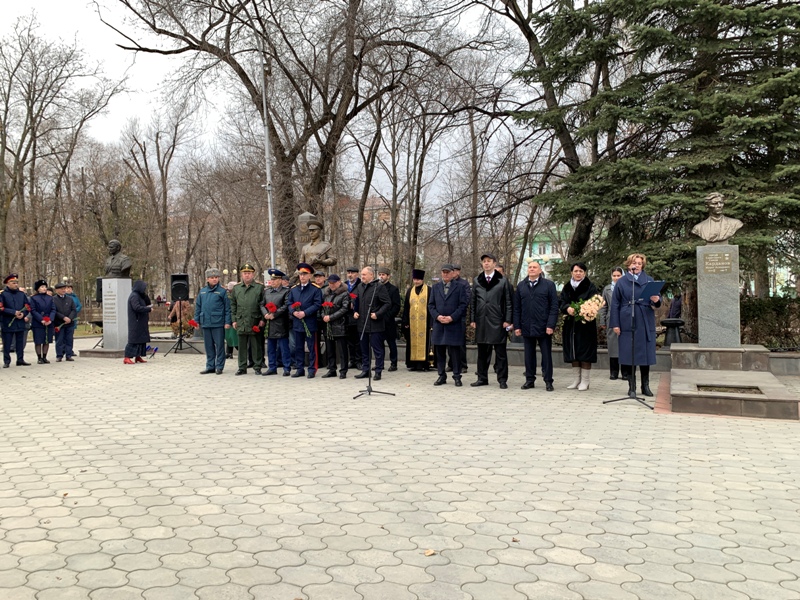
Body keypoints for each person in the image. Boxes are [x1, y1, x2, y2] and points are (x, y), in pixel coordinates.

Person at [609, 253, 663, 398]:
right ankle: (631, 386)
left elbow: (657, 301)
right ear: (628, 265)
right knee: (629, 353)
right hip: (627, 319)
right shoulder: (622, 282)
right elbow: (615, 304)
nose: (637, 265)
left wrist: (656, 300)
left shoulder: (649, 280)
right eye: (634, 263)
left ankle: (645, 385)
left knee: (645, 354)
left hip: (645, 317)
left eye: (639, 263)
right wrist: (615, 323)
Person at [470, 253, 513, 389]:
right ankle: (482, 378)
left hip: (498, 321)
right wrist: (472, 319)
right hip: (481, 320)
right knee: (482, 352)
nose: (486, 263)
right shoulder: (477, 280)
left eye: (489, 261)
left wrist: (508, 320)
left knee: (500, 352)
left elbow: (508, 302)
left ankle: (502, 379)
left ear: (494, 264)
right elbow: (473, 301)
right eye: (484, 261)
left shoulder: (502, 281)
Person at [513, 261, 558, 391]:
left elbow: (554, 307)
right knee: (528, 355)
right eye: (530, 267)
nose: (532, 269)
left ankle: (548, 381)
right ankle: (529, 380)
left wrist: (551, 325)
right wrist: (517, 326)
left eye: (535, 267)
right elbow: (517, 308)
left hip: (544, 326)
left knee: (546, 355)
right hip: (527, 326)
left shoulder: (549, 285)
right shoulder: (521, 286)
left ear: (540, 270)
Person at [560, 262, 599, 391]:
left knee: (585, 351)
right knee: (573, 350)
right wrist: (567, 308)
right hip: (570, 324)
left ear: (585, 273)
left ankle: (585, 381)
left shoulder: (590, 287)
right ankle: (576, 380)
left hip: (585, 324)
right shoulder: (567, 287)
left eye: (581, 271)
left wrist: (583, 309)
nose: (578, 273)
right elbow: (561, 302)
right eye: (576, 271)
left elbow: (594, 302)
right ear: (571, 272)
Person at [429, 264, 469, 387]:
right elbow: (431, 305)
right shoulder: (435, 287)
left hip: (454, 324)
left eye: (447, 272)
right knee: (440, 352)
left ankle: (457, 376)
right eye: (443, 272)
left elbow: (463, 305)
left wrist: (452, 317)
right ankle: (441, 376)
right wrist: (437, 316)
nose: (445, 274)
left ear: (453, 273)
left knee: (455, 353)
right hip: (439, 324)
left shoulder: (460, 287)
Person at [352, 266, 391, 380]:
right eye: (362, 274)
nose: (362, 277)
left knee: (377, 350)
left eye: (364, 275)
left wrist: (378, 314)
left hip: (375, 324)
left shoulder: (378, 287)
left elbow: (387, 303)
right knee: (364, 349)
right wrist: (355, 311)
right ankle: (365, 370)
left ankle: (378, 371)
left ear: (371, 275)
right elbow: (357, 301)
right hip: (362, 323)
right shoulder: (359, 286)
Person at [287, 262, 323, 378]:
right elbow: (289, 303)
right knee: (298, 347)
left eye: (304, 274)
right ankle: (300, 368)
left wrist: (305, 312)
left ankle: (312, 369)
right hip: (297, 322)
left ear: (309, 276)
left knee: (312, 347)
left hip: (310, 322)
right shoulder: (294, 289)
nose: (302, 276)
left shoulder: (315, 289)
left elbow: (317, 304)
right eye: (300, 274)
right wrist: (293, 312)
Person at [230, 263, 265, 375]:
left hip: (255, 320)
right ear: (241, 274)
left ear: (253, 274)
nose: (247, 275)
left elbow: (263, 304)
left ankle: (257, 366)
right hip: (241, 320)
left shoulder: (259, 287)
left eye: (249, 273)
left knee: (256, 345)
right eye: (245, 273)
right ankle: (242, 367)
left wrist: (262, 319)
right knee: (242, 345)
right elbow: (233, 305)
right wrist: (234, 319)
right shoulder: (236, 288)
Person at [195, 268, 231, 375]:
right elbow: (198, 307)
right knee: (208, 346)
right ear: (207, 279)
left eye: (216, 277)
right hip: (205, 322)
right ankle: (210, 366)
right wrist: (196, 320)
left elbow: (227, 308)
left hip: (218, 323)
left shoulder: (222, 291)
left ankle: (219, 366)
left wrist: (227, 322)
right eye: (212, 278)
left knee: (219, 345)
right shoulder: (202, 292)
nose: (214, 279)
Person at [401, 269, 433, 372]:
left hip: (425, 323)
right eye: (415, 279)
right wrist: (405, 321)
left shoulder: (429, 290)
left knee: (426, 343)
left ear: (422, 279)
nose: (416, 281)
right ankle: (413, 364)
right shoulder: (410, 291)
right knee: (411, 343)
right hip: (413, 322)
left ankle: (424, 364)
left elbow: (432, 306)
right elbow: (406, 307)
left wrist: (431, 322)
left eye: (418, 279)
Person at [261, 268, 292, 376]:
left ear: (280, 280)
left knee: (284, 347)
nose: (272, 281)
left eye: (275, 279)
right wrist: (265, 314)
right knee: (270, 348)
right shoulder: (267, 292)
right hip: (270, 323)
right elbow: (262, 304)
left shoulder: (286, 291)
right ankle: (272, 367)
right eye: (271, 279)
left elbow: (286, 305)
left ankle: (286, 367)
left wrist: (275, 314)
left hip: (280, 322)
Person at [320, 274, 351, 379]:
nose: (331, 285)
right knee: (330, 349)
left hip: (340, 324)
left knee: (342, 350)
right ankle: (332, 369)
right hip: (328, 325)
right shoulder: (326, 293)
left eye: (333, 283)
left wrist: (331, 317)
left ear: (339, 282)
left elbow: (344, 309)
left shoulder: (345, 294)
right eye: (329, 283)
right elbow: (322, 307)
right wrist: (324, 316)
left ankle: (343, 370)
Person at [598, 267, 626, 380]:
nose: (616, 278)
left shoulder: (627, 287)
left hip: (625, 317)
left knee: (625, 345)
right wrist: (602, 320)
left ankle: (625, 372)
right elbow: (603, 306)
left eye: (618, 275)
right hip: (611, 318)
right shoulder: (607, 289)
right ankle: (614, 371)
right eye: (614, 275)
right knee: (613, 345)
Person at [0, 274, 31, 367]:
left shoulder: (21, 294)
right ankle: (6, 361)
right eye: (13, 283)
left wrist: (23, 314)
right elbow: (1, 307)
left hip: (20, 322)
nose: (15, 284)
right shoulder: (3, 294)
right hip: (8, 322)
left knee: (20, 342)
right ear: (7, 284)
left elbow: (28, 306)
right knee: (7, 343)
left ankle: (20, 359)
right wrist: (13, 312)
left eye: (16, 283)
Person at [378, 267, 401, 371]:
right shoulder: (376, 288)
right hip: (378, 321)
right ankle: (380, 363)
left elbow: (396, 306)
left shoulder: (393, 289)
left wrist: (388, 316)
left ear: (388, 276)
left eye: (383, 274)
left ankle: (393, 363)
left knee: (391, 343)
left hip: (389, 321)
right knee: (379, 344)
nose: (381, 276)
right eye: (380, 274)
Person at [124, 280, 152, 364]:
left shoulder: (139, 295)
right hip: (135, 322)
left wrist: (145, 296)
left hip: (141, 322)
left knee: (141, 339)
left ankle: (138, 356)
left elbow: (147, 302)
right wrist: (148, 309)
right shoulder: (134, 296)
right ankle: (127, 357)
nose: (144, 289)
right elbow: (137, 307)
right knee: (133, 340)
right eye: (143, 288)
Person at [449, 263, 470, 373]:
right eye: (453, 270)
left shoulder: (464, 283)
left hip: (459, 317)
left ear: (459, 272)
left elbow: (466, 300)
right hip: (447, 317)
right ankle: (451, 364)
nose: (454, 273)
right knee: (449, 342)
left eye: (456, 270)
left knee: (460, 342)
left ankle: (463, 365)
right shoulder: (447, 283)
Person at [30, 280, 56, 364]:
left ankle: (45, 356)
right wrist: (41, 319)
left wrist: (50, 319)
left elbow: (53, 309)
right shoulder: (34, 298)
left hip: (48, 322)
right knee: (38, 340)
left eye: (45, 287)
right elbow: (33, 310)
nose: (44, 288)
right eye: (42, 287)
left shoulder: (50, 298)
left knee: (46, 340)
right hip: (38, 322)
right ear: (38, 289)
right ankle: (39, 357)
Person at [53, 283, 77, 362]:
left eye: (64, 288)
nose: (63, 290)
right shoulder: (53, 299)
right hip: (59, 323)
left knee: (69, 339)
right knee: (59, 339)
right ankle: (59, 355)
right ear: (57, 290)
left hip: (69, 323)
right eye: (61, 289)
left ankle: (69, 354)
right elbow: (54, 311)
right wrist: (63, 317)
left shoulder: (69, 299)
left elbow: (74, 310)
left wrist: (70, 318)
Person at [344, 266, 362, 368]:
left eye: (352, 273)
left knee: (358, 341)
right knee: (350, 341)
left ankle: (359, 360)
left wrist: (355, 305)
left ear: (357, 274)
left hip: (357, 316)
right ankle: (352, 360)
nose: (350, 275)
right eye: (348, 273)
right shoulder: (345, 285)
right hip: (347, 316)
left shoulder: (360, 284)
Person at [64, 282, 82, 359]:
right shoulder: (63, 297)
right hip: (64, 318)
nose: (68, 290)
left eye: (70, 288)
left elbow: (79, 306)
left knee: (70, 336)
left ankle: (69, 350)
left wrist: (74, 311)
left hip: (73, 318)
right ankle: (63, 350)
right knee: (63, 336)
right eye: (67, 288)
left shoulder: (75, 297)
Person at [224, 281, 238, 359]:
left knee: (233, 336)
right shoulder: (227, 296)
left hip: (235, 318)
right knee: (229, 336)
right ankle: (229, 352)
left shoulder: (236, 295)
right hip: (229, 318)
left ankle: (234, 350)